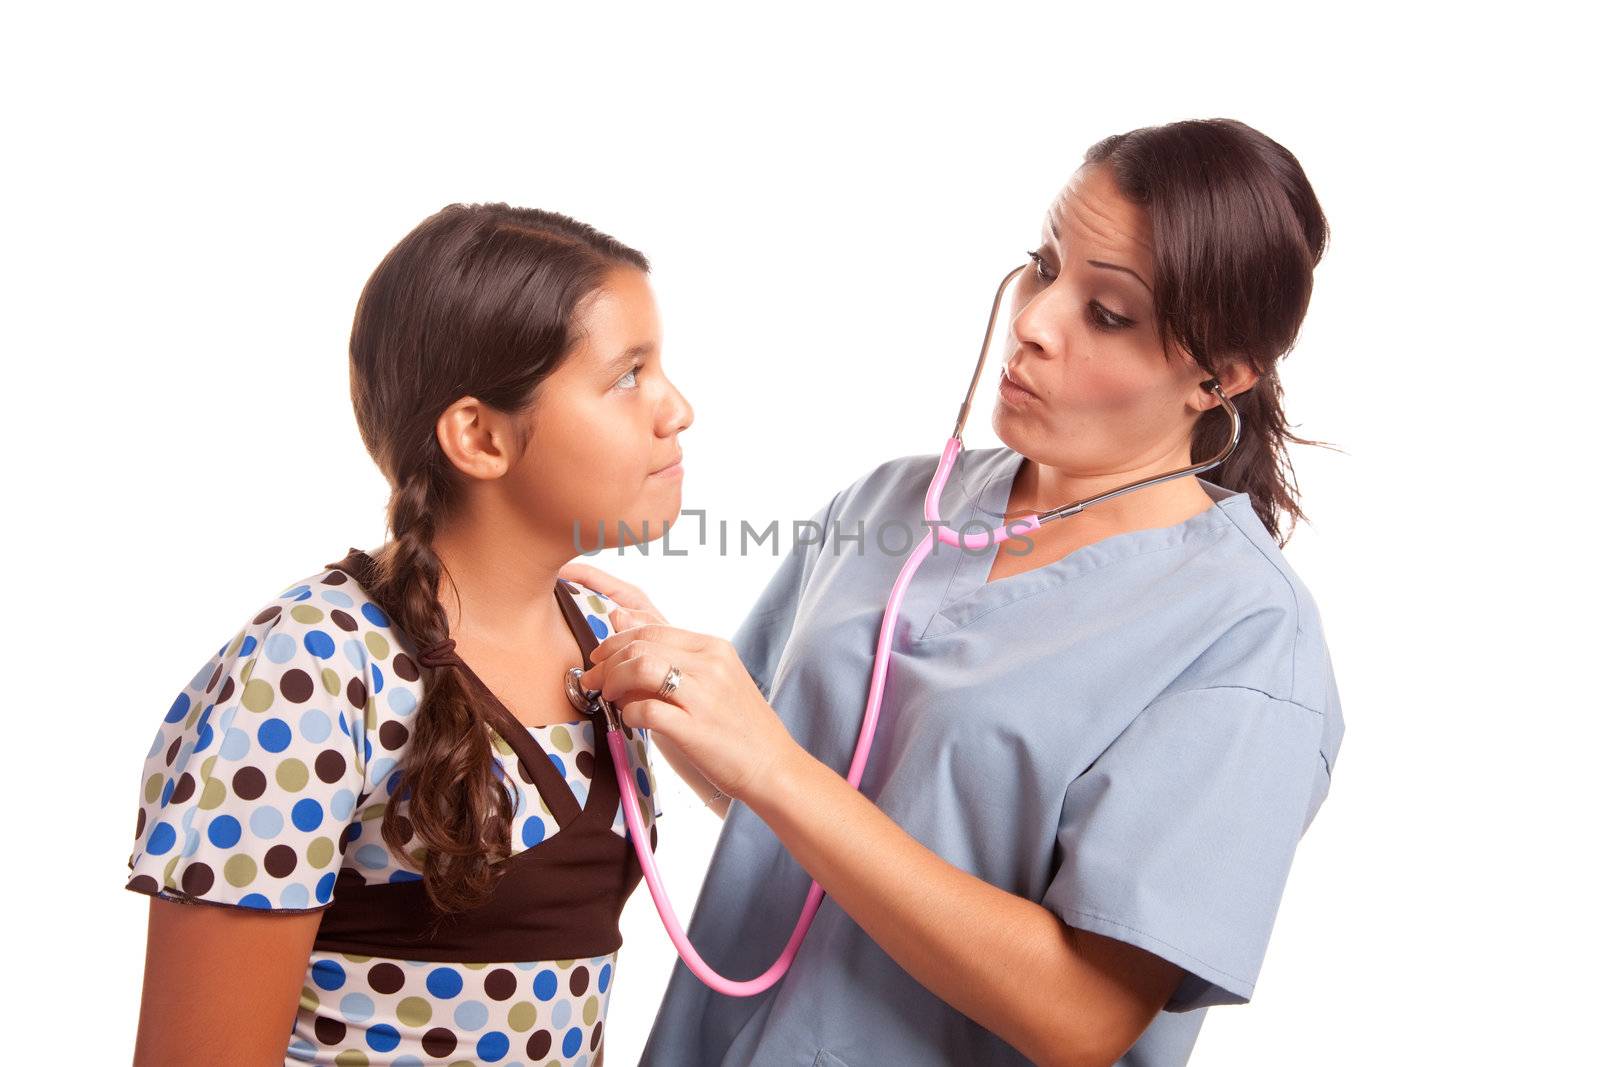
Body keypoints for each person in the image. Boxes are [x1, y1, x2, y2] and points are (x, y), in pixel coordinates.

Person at [572, 118, 1347, 1067]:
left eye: (1105, 312)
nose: (1034, 319)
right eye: (1043, 263)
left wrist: (776, 768)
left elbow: (1084, 1017)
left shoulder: (1245, 635)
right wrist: (676, 689)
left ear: (1218, 376)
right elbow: (785, 796)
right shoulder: (893, 502)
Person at [125, 203, 694, 1066]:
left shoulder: (611, 642)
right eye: (627, 377)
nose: (678, 409)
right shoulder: (311, 667)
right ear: (479, 435)